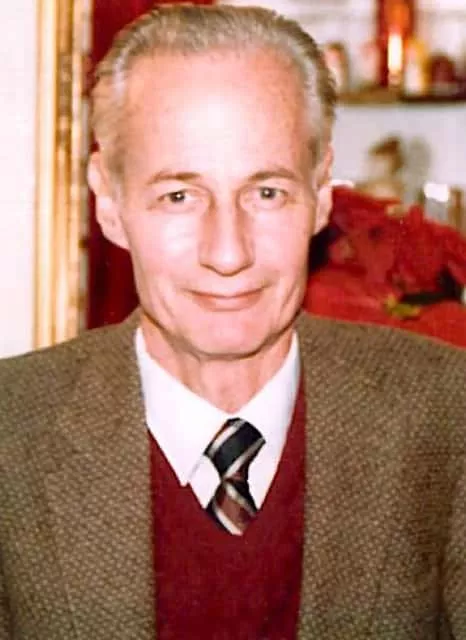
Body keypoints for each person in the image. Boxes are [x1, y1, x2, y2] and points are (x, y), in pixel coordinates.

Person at [0, 5, 465, 639]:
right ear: (109, 202)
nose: (228, 253)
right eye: (179, 196)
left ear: (321, 194)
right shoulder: (12, 435)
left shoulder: (447, 414)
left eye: (266, 192)